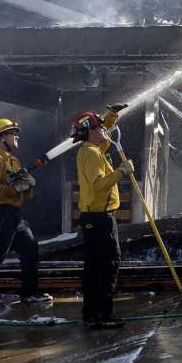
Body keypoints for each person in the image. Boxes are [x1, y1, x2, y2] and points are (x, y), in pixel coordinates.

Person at [0, 118, 52, 313]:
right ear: (0, 137)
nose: (16, 136)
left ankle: (29, 293)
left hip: (14, 214)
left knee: (30, 249)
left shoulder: (13, 160)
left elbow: (21, 191)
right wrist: (16, 187)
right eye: (12, 133)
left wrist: (28, 185)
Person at [72, 107, 133, 328]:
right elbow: (99, 184)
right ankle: (102, 316)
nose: (103, 130)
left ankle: (92, 314)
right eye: (99, 127)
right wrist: (122, 171)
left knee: (94, 267)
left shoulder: (92, 149)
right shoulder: (90, 153)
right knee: (108, 265)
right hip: (99, 219)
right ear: (90, 132)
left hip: (95, 217)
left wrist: (111, 117)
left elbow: (104, 138)